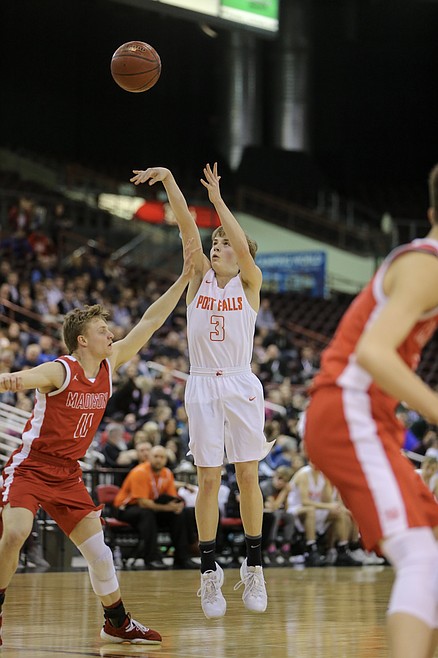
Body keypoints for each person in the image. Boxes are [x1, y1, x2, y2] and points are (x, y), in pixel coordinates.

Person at [0, 239, 197, 648]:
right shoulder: (60, 371)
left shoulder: (110, 365)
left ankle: (117, 623)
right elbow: (24, 378)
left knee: (100, 553)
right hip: (31, 468)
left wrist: (183, 279)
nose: (111, 334)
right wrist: (11, 380)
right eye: (102, 330)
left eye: (109, 329)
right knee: (16, 533)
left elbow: (150, 322)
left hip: (68, 474)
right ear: (82, 340)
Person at [303, 164, 438, 658]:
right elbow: (373, 354)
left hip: (364, 413)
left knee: (433, 549)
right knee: (421, 559)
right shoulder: (427, 265)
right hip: (349, 407)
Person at [131, 163, 273, 619]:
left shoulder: (250, 282)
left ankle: (254, 565)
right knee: (209, 479)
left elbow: (240, 246)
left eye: (225, 242)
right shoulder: (198, 279)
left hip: (240, 381)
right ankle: (209, 572)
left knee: (247, 475)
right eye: (216, 241)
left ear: (241, 252)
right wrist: (170, 181)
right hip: (202, 382)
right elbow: (187, 231)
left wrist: (218, 201)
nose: (217, 245)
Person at [113, 445, 196, 570]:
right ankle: (152, 559)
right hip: (125, 508)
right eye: (156, 456)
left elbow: (172, 498)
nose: (158, 460)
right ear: (149, 458)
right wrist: (169, 508)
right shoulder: (139, 472)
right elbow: (143, 503)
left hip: (151, 507)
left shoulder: (167, 473)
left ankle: (182, 558)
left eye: (162, 457)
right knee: (147, 514)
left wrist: (177, 507)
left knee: (181, 514)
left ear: (166, 460)